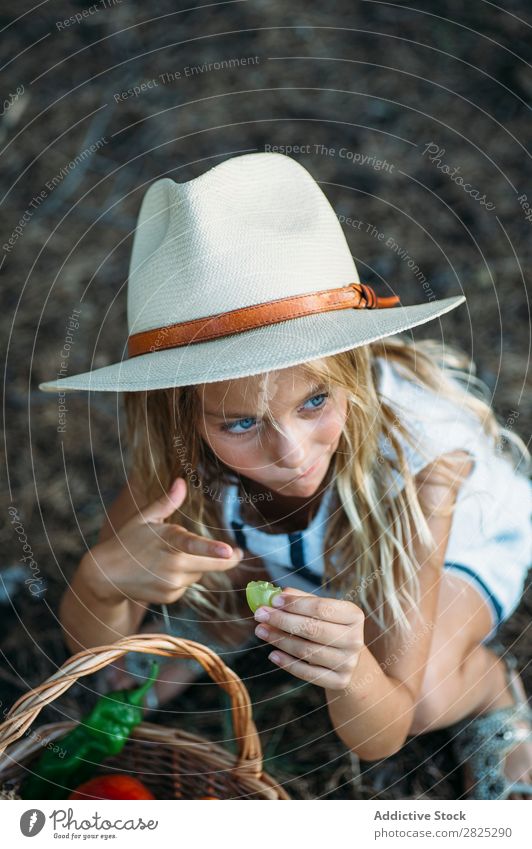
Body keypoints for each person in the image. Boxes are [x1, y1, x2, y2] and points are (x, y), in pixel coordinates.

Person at [39, 151, 532, 800]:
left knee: (422, 696)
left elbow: (379, 733)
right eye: (240, 424)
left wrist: (355, 671)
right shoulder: (187, 447)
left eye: (314, 402)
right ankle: (224, 614)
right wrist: (100, 584)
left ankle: (493, 694)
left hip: (441, 547)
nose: (292, 451)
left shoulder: (423, 468)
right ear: (184, 412)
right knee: (145, 652)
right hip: (314, 548)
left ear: (349, 372)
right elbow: (92, 651)